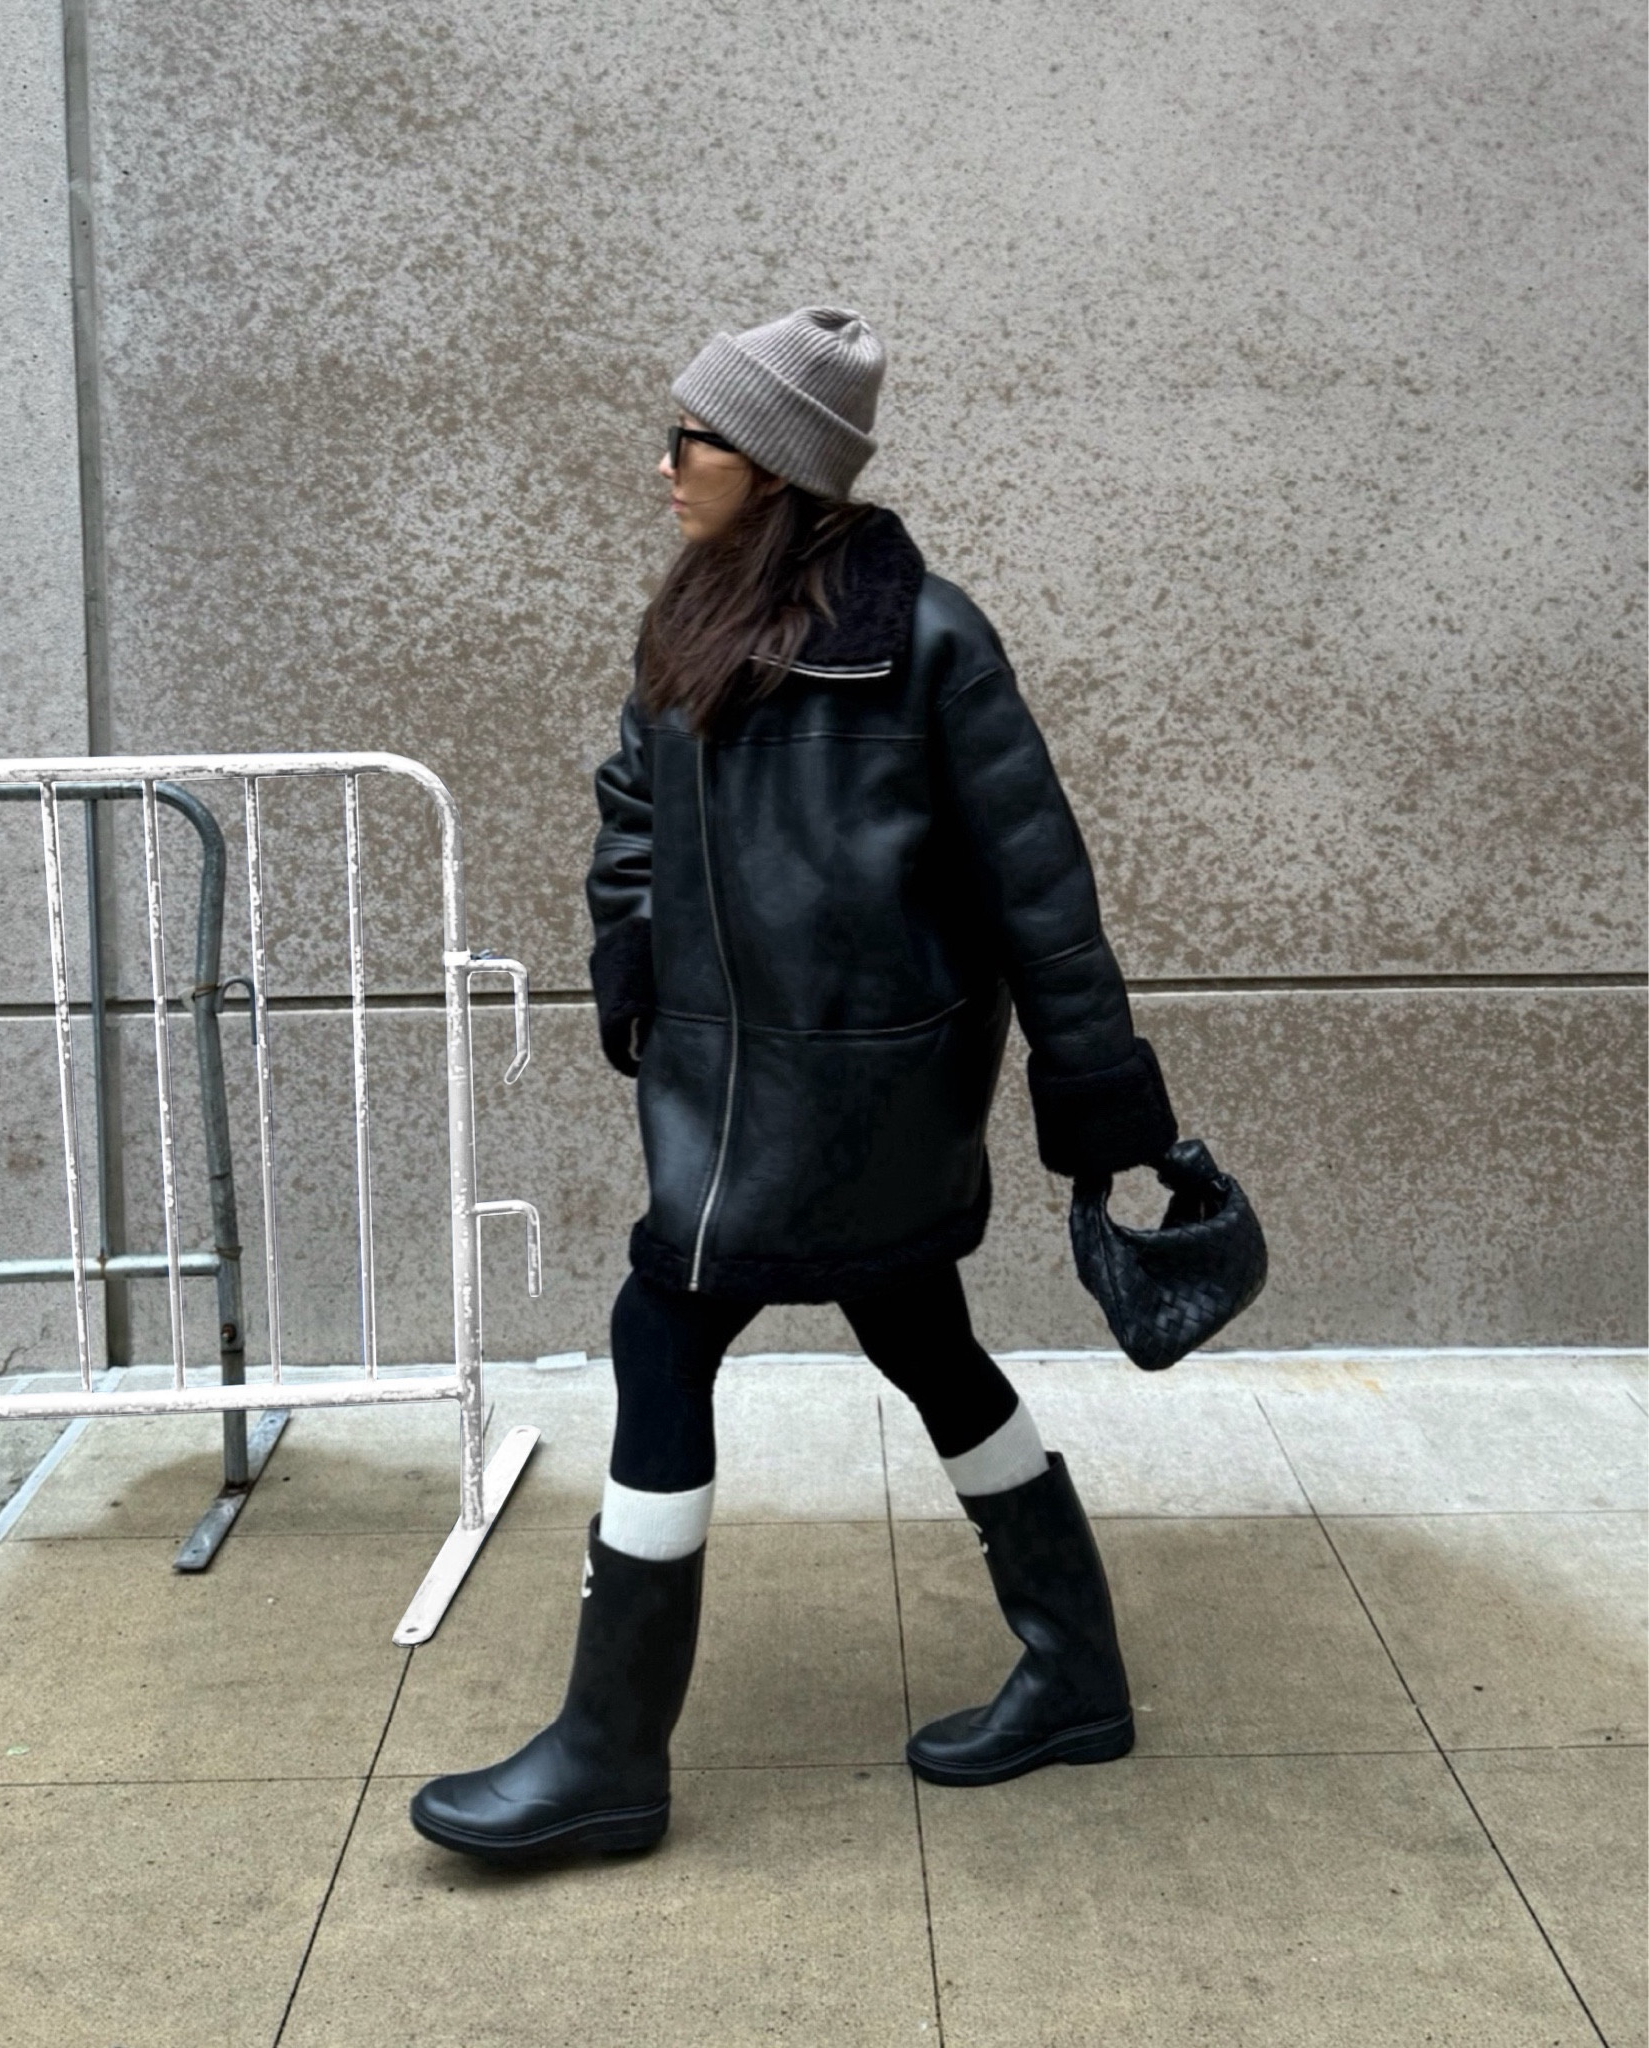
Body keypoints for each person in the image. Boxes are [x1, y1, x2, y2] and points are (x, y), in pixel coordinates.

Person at [411, 307, 1180, 1866]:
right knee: (926, 1343)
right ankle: (1077, 1674)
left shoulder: (930, 640)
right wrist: (625, 947)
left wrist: (1102, 1095)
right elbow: (633, 798)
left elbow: (1040, 882)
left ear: (766, 465)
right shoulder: (692, 614)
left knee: (659, 1327)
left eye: (688, 440)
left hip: (856, 1096)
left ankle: (608, 1754)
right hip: (724, 1082)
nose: (662, 465)